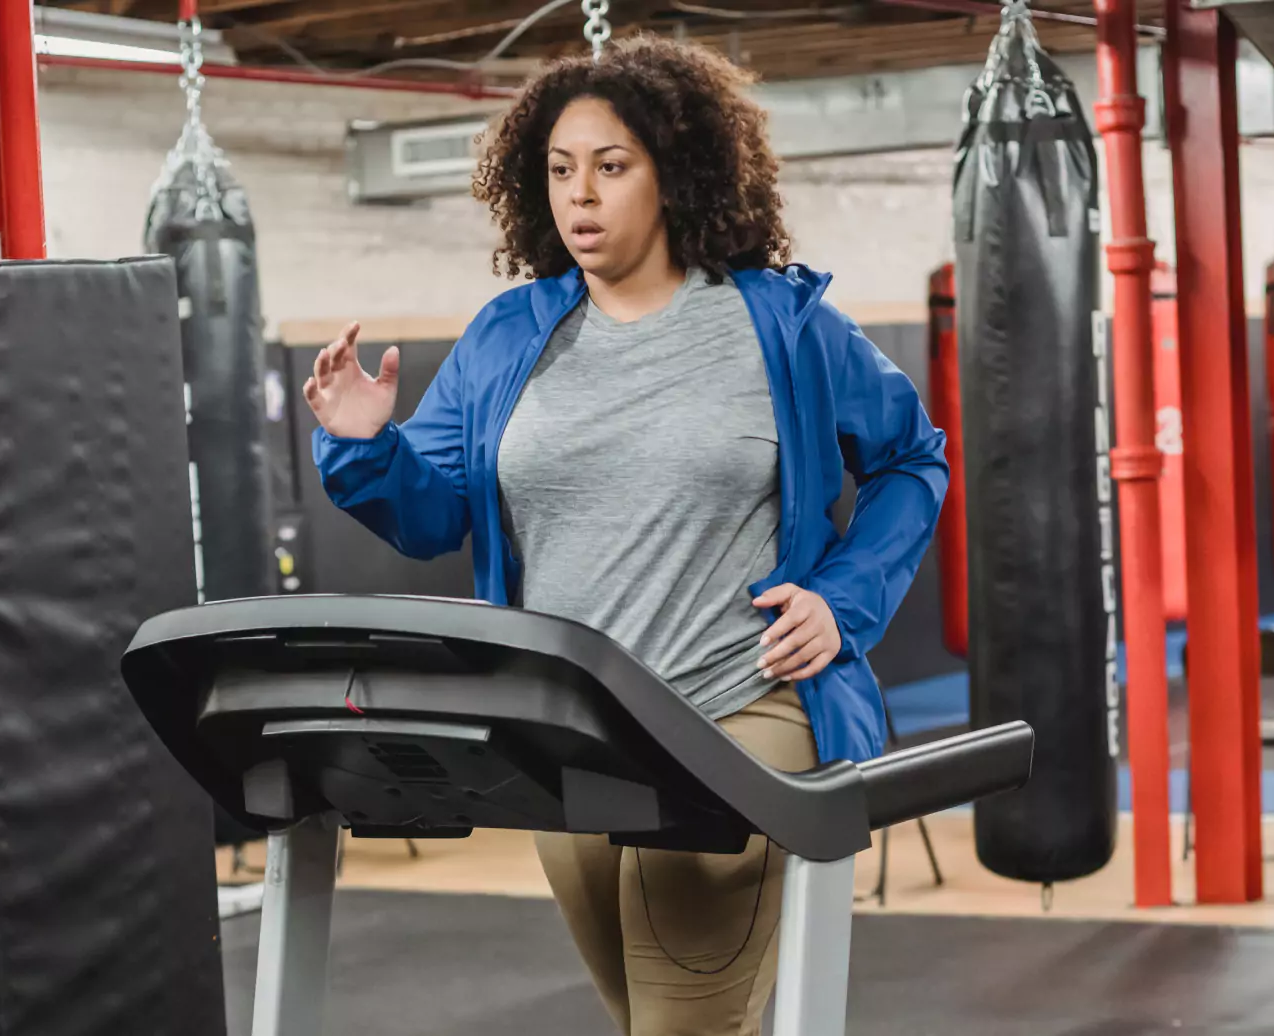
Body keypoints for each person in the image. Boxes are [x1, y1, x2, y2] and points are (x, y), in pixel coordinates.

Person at [303, 35, 947, 1036]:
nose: (581, 196)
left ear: (676, 174)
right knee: (651, 1018)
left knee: (682, 1020)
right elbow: (432, 512)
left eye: (611, 166)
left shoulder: (780, 324)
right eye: (561, 170)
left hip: (739, 703)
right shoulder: (510, 337)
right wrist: (362, 444)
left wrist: (844, 600)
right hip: (569, 732)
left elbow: (913, 459)